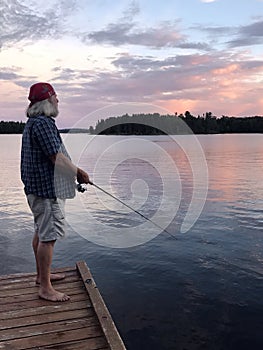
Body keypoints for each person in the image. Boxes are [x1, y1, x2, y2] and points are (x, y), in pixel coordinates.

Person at [21, 82, 90, 302]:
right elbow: (57, 158)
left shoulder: (34, 123)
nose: (58, 100)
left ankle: (42, 277)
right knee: (48, 238)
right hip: (46, 191)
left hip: (37, 189)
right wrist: (79, 172)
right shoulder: (43, 123)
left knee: (41, 233)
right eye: (55, 97)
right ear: (47, 101)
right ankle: (45, 288)